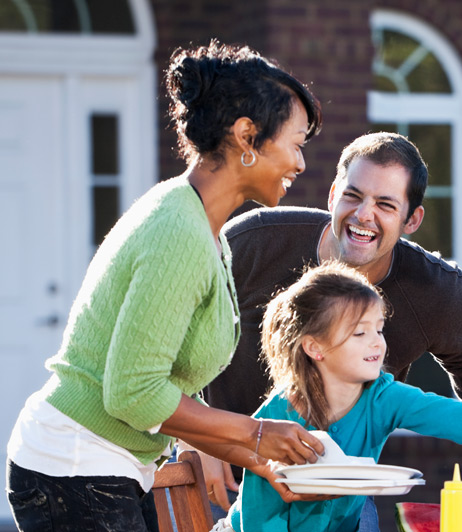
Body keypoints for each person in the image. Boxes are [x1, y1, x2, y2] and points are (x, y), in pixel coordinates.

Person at [5, 40, 327, 531]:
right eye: (296, 143)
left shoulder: (205, 229)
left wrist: (253, 455)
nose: (301, 164)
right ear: (247, 136)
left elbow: (162, 397)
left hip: (107, 468)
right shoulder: (179, 231)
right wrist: (255, 433)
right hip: (73, 467)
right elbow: (133, 393)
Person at [199, 132, 462, 519]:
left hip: (341, 491)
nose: (364, 215)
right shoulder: (255, 240)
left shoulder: (435, 291)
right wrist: (196, 438)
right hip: (227, 478)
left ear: (412, 219)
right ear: (333, 193)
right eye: (353, 196)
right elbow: (173, 334)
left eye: (385, 204)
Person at [214, 261, 462, 532]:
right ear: (315, 347)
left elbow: (454, 416)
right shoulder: (282, 412)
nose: (377, 342)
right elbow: (259, 512)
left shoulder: (382, 396)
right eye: (360, 334)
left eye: (379, 328)